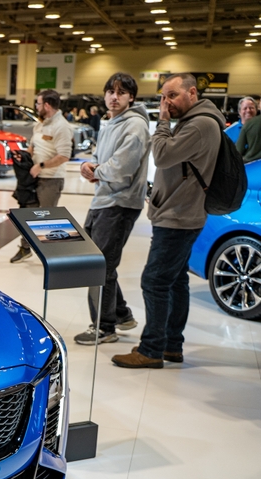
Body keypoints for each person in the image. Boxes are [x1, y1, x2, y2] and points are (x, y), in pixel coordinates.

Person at [112, 73, 226, 369]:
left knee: (155, 281)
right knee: (175, 280)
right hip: (181, 212)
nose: (166, 103)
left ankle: (151, 349)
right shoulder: (198, 120)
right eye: (163, 97)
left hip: (179, 217)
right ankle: (171, 345)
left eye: (172, 96)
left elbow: (161, 156)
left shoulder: (200, 124)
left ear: (191, 92)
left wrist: (161, 122)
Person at [74, 72, 151, 346]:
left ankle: (103, 327)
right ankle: (120, 313)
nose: (114, 97)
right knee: (95, 261)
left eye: (120, 93)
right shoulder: (111, 122)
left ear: (131, 97)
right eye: (110, 92)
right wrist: (89, 165)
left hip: (119, 203)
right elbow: (100, 158)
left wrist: (97, 172)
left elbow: (122, 168)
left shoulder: (136, 126)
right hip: (103, 200)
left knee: (100, 266)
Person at [9, 89, 74, 263]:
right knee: (27, 214)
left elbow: (64, 155)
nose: (36, 107)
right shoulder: (40, 124)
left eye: (38, 103)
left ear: (46, 105)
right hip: (34, 178)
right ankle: (25, 248)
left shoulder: (62, 126)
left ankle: (52, 256)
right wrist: (24, 155)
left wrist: (42, 165)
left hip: (51, 180)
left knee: (46, 219)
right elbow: (33, 147)